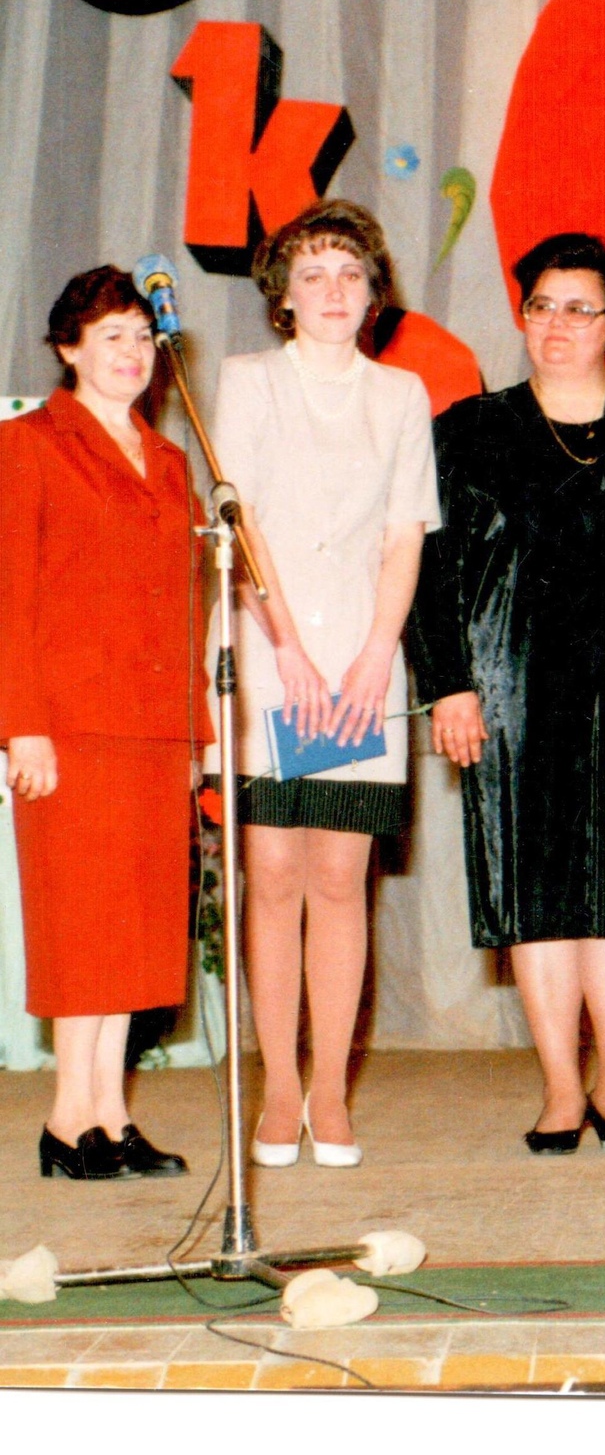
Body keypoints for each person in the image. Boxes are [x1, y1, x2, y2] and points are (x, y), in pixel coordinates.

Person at [409, 232, 605, 1156]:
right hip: (512, 685)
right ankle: (557, 1087)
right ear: (521, 314)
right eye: (541, 306)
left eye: (580, 309)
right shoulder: (468, 429)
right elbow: (432, 571)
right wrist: (448, 686)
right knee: (534, 885)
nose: (557, 325)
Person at [214, 201, 440, 1171]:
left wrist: (376, 651)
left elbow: (403, 533)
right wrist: (287, 645)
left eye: (350, 273)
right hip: (271, 654)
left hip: (359, 662)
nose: (333, 290)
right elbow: (242, 524)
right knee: (272, 875)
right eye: (313, 274)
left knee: (341, 879)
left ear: (374, 293)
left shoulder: (401, 394)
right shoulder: (247, 381)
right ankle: (277, 1090)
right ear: (284, 296)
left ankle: (332, 1093)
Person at [0, 268, 203, 1179]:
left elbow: (187, 605)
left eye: (142, 336)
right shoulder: (27, 445)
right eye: (111, 335)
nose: (132, 352)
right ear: (68, 348)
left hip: (153, 725)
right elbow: (10, 596)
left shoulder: (170, 460)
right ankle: (66, 1117)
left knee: (138, 930)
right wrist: (22, 726)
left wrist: (194, 736)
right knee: (82, 926)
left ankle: (112, 1116)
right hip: (70, 726)